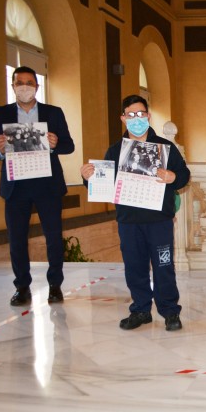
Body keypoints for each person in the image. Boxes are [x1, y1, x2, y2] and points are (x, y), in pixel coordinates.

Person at [80, 95, 190, 331]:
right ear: (123, 118)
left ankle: (170, 311)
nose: (136, 119)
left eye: (141, 114)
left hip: (158, 220)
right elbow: (103, 185)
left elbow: (184, 175)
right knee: (134, 267)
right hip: (129, 221)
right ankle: (140, 310)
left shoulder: (165, 148)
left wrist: (173, 177)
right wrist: (87, 176)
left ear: (148, 116)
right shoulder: (114, 150)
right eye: (131, 115)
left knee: (164, 266)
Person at [0, 66, 75, 306]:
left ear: (36, 86)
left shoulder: (53, 112)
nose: (24, 87)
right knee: (16, 238)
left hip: (47, 184)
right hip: (16, 185)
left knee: (54, 237)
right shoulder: (0, 113)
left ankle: (55, 285)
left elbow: (69, 145)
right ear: (13, 86)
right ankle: (22, 287)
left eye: (29, 82)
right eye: (19, 83)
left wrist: (56, 143)